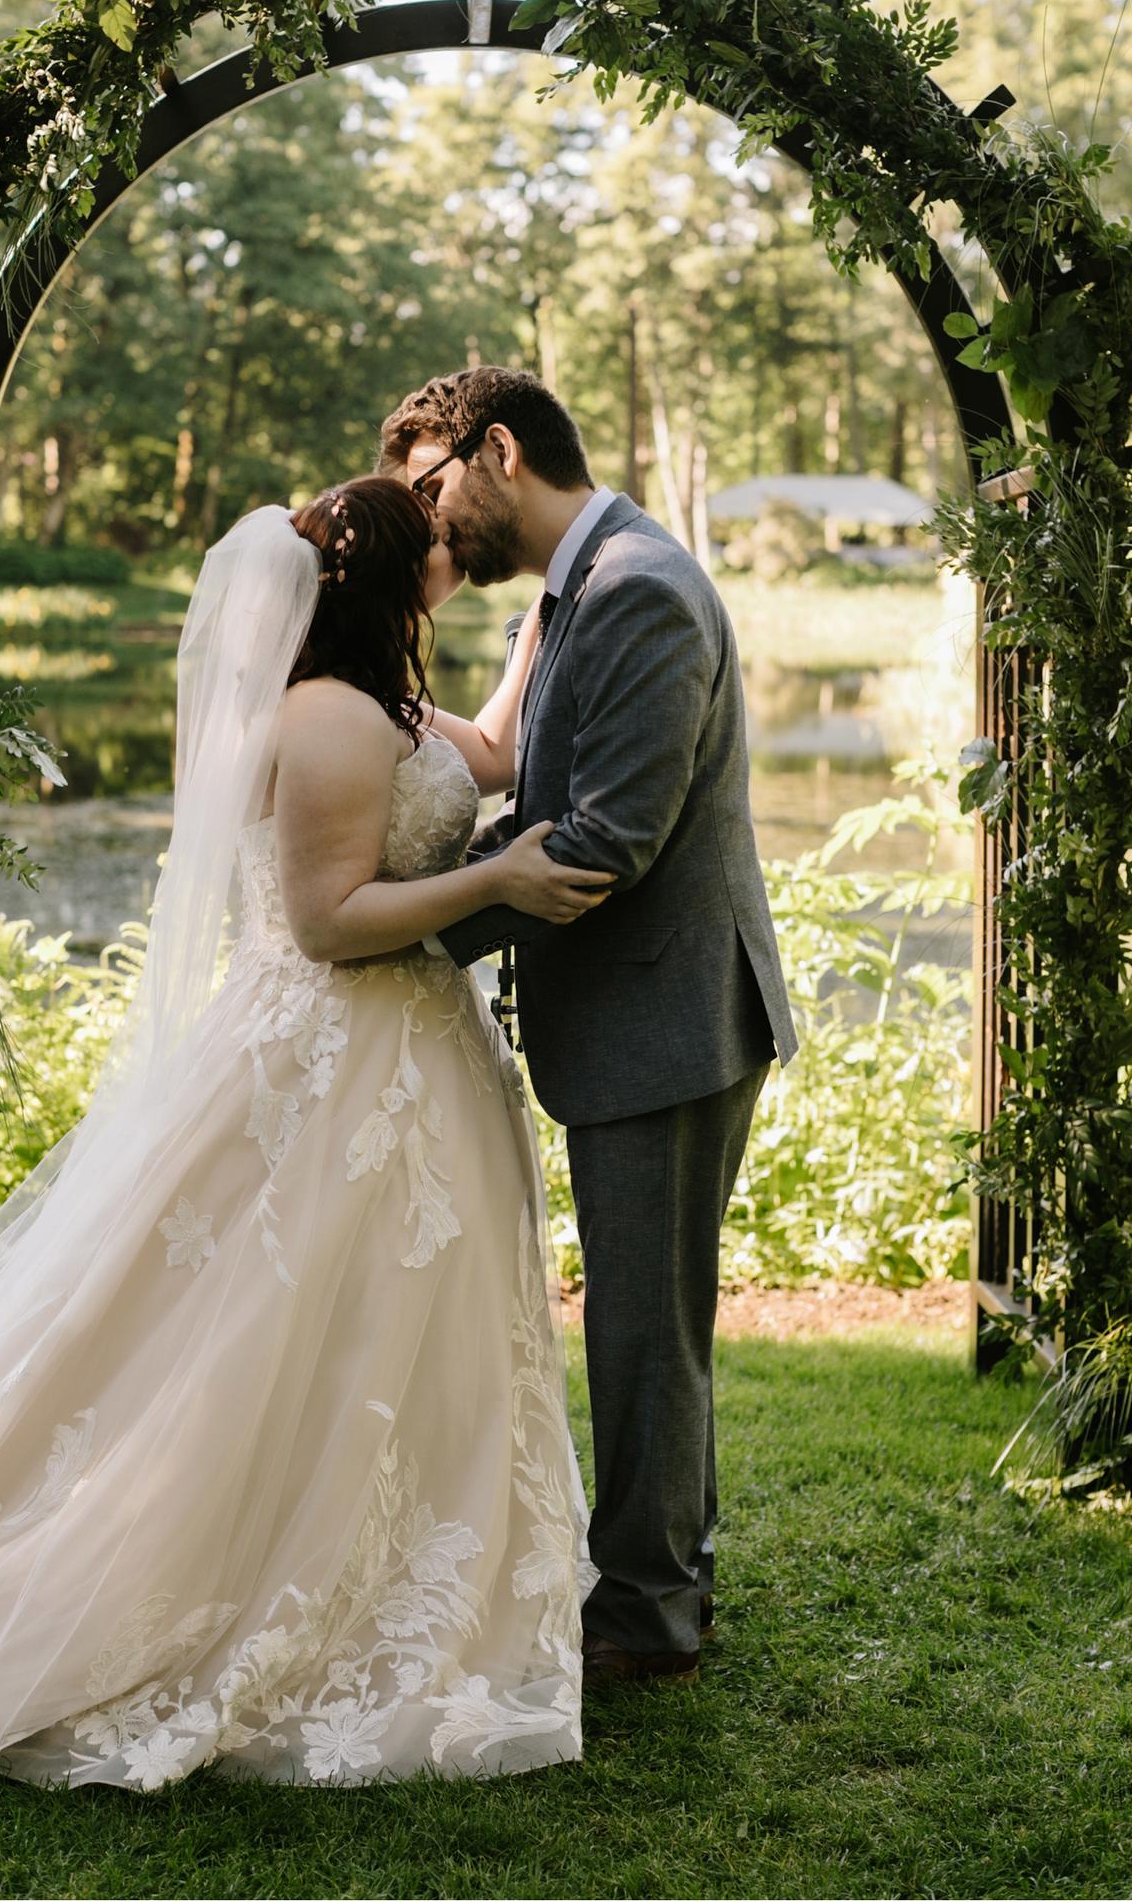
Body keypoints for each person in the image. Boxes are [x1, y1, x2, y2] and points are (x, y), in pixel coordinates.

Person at [0, 476, 615, 1793]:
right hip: (329, 1062)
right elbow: (326, 920)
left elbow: (482, 758)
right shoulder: (322, 715)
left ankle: (414, 1570)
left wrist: (547, 622)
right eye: (432, 542)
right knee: (258, 1338)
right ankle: (242, 1578)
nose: (453, 549)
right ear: (378, 580)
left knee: (396, 1334)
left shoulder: (385, 702)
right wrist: (495, 879)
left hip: (410, 1067)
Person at [379, 367, 799, 1684]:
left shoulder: (639, 594)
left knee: (640, 1327)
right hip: (638, 1012)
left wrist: (396, 926)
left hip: (668, 1018)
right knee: (646, 1317)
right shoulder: (580, 585)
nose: (433, 531)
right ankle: (667, 1577)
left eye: (436, 491)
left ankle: (647, 1613)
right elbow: (523, 769)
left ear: (498, 451)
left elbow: (606, 841)